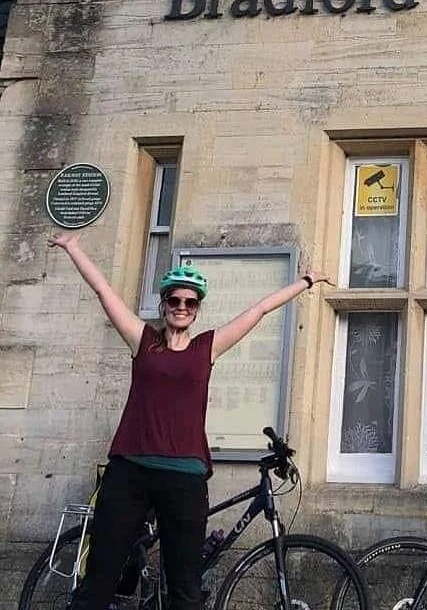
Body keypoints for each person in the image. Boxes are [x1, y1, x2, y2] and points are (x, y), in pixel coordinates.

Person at [47, 232, 332, 610]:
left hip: (184, 478)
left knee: (185, 590)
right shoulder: (142, 340)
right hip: (129, 472)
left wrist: (306, 281)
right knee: (98, 582)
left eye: (189, 302)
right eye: (174, 300)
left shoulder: (206, 347)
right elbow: (104, 292)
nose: (181, 306)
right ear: (164, 304)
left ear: (196, 310)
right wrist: (74, 248)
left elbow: (259, 310)